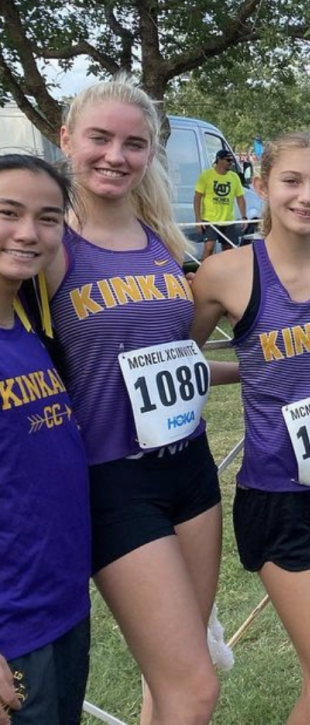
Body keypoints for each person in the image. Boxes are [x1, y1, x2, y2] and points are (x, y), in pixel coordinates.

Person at [43, 77, 224, 725]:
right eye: (100, 137)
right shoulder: (49, 249)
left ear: (151, 153)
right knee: (195, 687)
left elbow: (174, 357)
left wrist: (258, 372)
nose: (115, 155)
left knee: (173, 675)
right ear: (67, 139)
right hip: (113, 483)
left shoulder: (162, 241)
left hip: (192, 470)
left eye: (134, 143)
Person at [190, 132, 310, 725]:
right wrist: (241, 374)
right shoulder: (225, 272)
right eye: (292, 182)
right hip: (277, 497)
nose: (306, 196)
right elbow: (174, 361)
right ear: (262, 185)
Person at [0, 155, 90, 725]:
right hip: (13, 627)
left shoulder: (30, 328)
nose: (29, 233)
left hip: (62, 606)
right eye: (7, 213)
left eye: (48, 217)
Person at [193, 148, 247, 260]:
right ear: (219, 159)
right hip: (210, 219)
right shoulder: (206, 176)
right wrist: (198, 220)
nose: (231, 163)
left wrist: (244, 217)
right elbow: (197, 198)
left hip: (228, 220)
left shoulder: (234, 177)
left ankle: (224, 274)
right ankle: (203, 273)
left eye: (232, 160)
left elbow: (240, 198)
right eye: (228, 160)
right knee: (209, 247)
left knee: (228, 249)